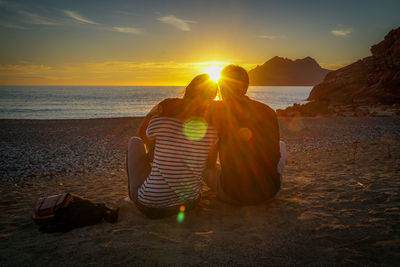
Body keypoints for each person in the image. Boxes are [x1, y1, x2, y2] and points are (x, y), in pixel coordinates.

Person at [126, 74, 218, 218]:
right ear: (211, 99)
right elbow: (210, 165)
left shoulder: (161, 121)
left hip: (151, 206)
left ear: (188, 90)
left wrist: (152, 113)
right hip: (190, 203)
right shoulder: (212, 131)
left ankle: (135, 195)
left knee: (134, 142)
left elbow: (142, 135)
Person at [205, 65, 286, 204]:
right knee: (282, 145)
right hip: (271, 192)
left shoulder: (216, 109)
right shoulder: (268, 111)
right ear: (246, 86)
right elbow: (275, 155)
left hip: (232, 194)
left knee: (206, 167)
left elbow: (210, 159)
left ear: (222, 86)